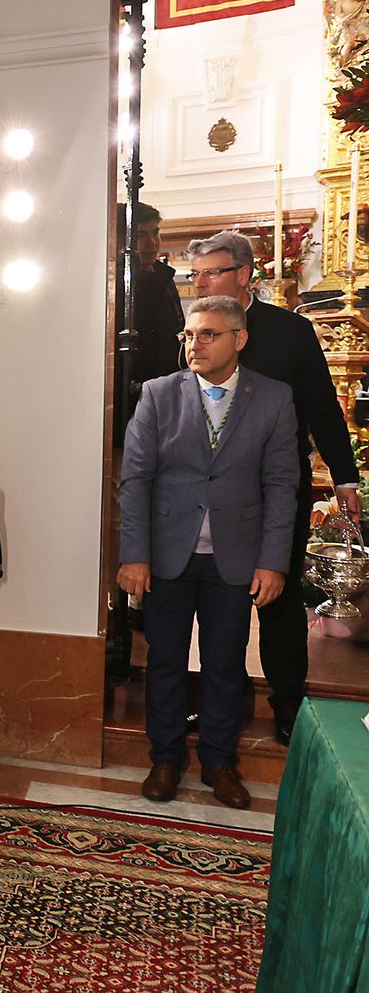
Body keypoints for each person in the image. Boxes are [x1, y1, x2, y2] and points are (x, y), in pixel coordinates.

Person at [118, 296, 298, 809]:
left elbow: (282, 484)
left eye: (208, 335)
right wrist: (135, 554)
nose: (194, 344)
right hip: (168, 556)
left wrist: (272, 560)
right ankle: (166, 759)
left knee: (224, 664)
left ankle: (219, 762)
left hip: (235, 558)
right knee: (166, 661)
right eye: (189, 335)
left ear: (238, 340)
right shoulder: (157, 395)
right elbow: (136, 479)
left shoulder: (274, 398)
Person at [189, 230, 359, 744]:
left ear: (244, 275)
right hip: (213, 492)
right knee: (220, 602)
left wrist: (345, 475)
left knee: (278, 602)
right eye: (194, 274)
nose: (200, 284)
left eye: (211, 272)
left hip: (277, 489)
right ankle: (227, 698)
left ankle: (287, 703)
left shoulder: (290, 331)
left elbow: (323, 407)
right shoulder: (192, 331)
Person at [128, 202, 185, 387]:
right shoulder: (121, 283)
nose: (152, 243)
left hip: (169, 380)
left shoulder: (165, 277)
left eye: (155, 232)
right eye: (140, 235)